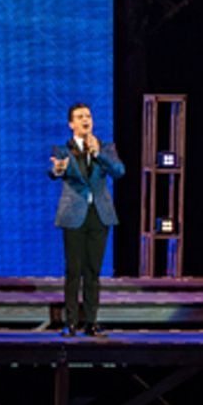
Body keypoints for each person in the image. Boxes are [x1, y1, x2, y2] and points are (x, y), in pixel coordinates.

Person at [49, 102, 124, 336]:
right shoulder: (62, 150)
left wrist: (98, 153)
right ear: (71, 124)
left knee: (93, 272)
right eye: (80, 116)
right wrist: (58, 170)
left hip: (99, 217)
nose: (86, 120)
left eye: (88, 116)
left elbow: (119, 171)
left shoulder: (105, 148)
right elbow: (55, 171)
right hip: (74, 217)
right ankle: (71, 322)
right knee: (74, 271)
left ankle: (91, 322)